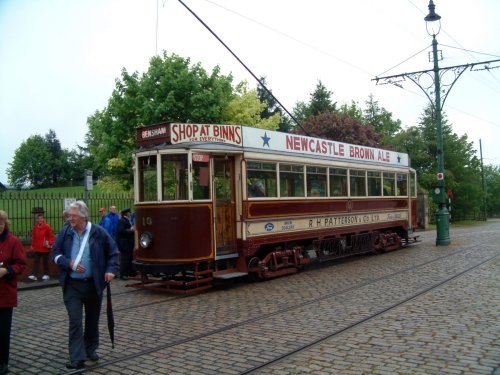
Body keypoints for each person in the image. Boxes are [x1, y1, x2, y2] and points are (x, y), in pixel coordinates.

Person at [51, 201, 119, 370]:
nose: (70, 218)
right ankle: (76, 357)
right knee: (75, 320)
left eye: (74, 216)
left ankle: (90, 348)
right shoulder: (65, 232)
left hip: (93, 284)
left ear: (83, 216)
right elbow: (55, 253)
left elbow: (113, 252)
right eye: (69, 215)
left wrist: (111, 270)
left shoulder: (98, 232)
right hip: (72, 285)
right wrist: (69, 262)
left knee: (92, 319)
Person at [0, 210, 26, 375]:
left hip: (4, 293)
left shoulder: (13, 241)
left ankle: (3, 362)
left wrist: (7, 271)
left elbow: (21, 264)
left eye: (1, 224)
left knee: (2, 331)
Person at [29, 213, 55, 281]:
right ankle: (34, 275)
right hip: (37, 248)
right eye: (38, 218)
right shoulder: (35, 227)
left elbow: (51, 237)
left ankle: (47, 274)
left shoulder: (47, 226)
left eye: (41, 218)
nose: (40, 220)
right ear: (37, 219)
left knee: (45, 261)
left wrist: (49, 243)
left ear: (43, 219)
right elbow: (34, 237)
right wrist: (32, 245)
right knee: (36, 261)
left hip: (45, 248)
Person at [116, 208, 135, 280]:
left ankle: (129, 271)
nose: (130, 214)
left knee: (129, 257)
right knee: (125, 259)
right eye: (129, 213)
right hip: (124, 243)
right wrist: (130, 230)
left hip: (128, 243)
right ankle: (123, 274)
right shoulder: (121, 221)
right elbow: (121, 231)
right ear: (126, 213)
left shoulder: (127, 220)